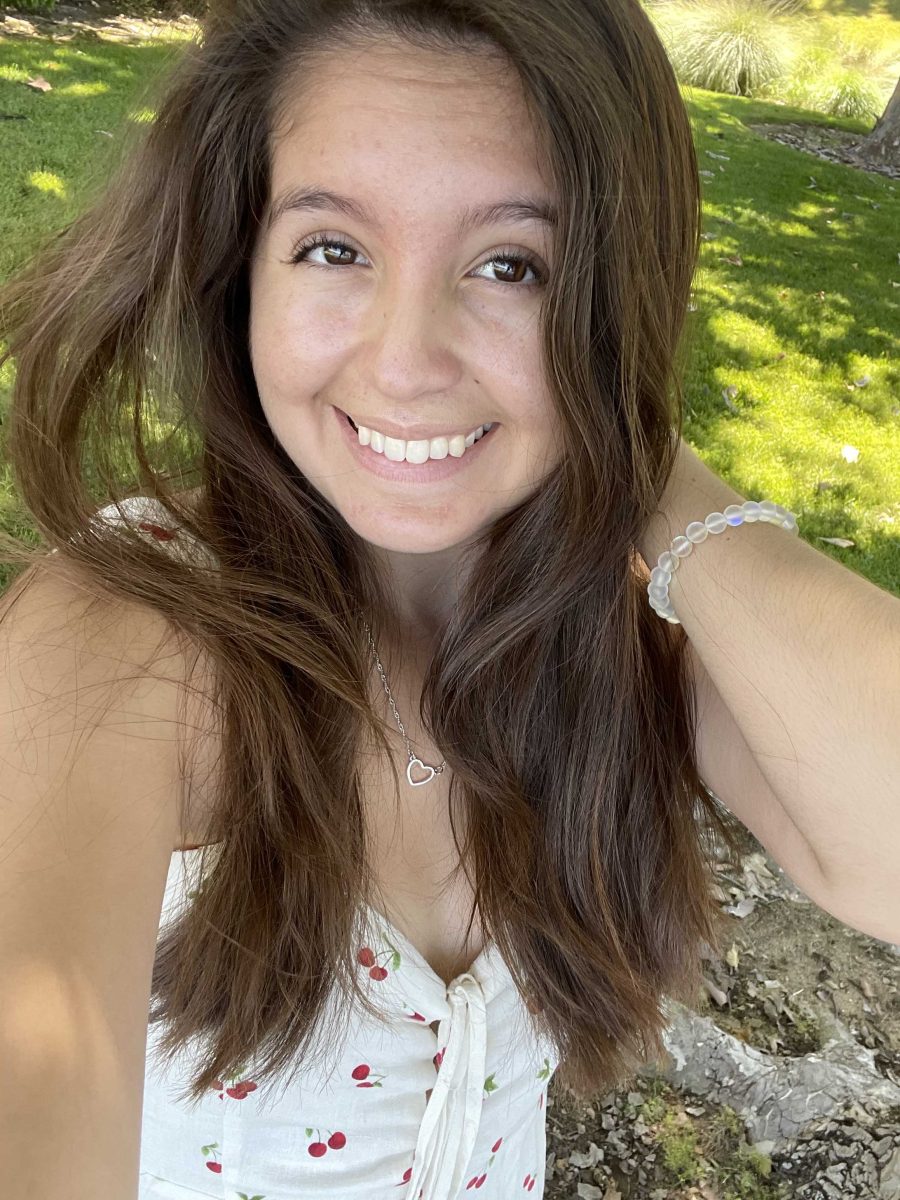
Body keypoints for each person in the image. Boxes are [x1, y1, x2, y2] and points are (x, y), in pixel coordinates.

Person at [4, 1, 899, 1198]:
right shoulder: (123, 639)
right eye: (334, 248)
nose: (405, 360)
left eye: (511, 264)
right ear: (241, 271)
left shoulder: (627, 634)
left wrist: (640, 462)